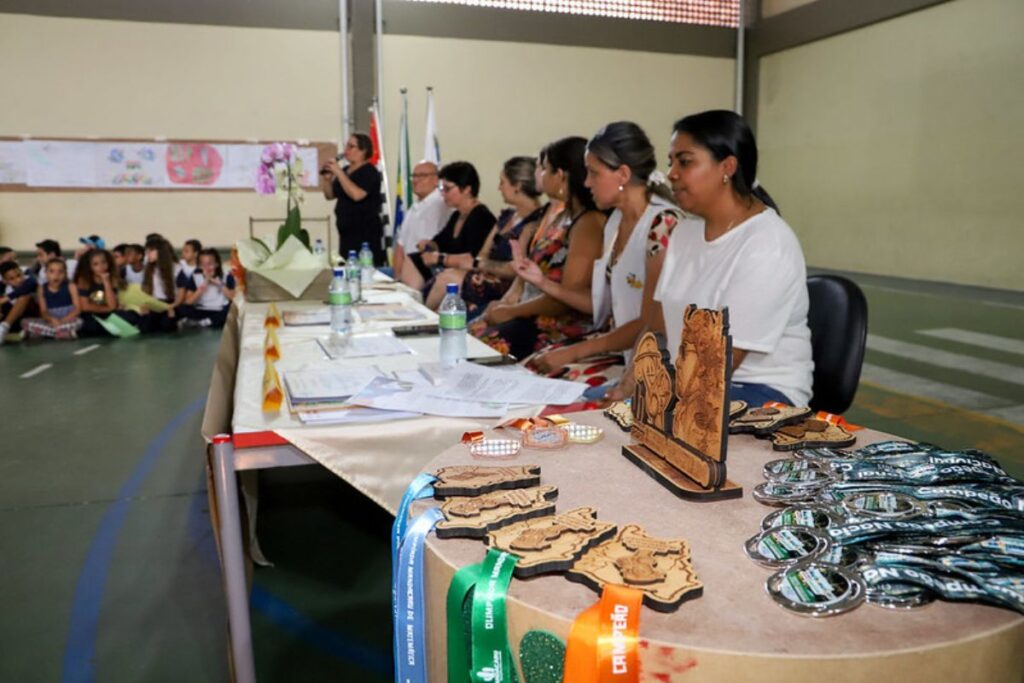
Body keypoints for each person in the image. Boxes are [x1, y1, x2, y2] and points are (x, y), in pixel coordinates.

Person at [619, 110, 813, 407]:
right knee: (589, 411)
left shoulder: (767, 244)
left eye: (685, 162)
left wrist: (644, 400)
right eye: (671, 162)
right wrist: (625, 387)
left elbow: (719, 366)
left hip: (757, 393)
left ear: (728, 167)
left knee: (627, 429)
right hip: (685, 381)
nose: (671, 173)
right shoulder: (684, 232)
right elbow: (655, 328)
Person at [515, 122, 683, 397]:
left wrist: (577, 350)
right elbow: (601, 305)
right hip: (626, 355)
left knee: (557, 397)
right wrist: (542, 282)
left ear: (623, 174)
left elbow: (651, 322)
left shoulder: (662, 224)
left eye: (593, 173)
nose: (586, 182)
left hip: (655, 367)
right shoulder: (615, 221)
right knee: (532, 373)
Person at [471, 136, 606, 360]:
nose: (539, 175)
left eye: (544, 169)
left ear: (560, 175)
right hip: (529, 314)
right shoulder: (559, 217)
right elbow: (527, 272)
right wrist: (506, 304)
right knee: (464, 335)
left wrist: (511, 311)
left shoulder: (588, 222)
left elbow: (564, 299)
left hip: (554, 326)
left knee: (480, 349)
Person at [422, 156, 544, 313]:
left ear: (517, 187)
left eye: (502, 182)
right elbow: (483, 253)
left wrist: (478, 265)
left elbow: (515, 268)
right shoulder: (506, 217)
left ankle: (425, 319)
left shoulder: (533, 222)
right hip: (486, 275)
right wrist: (479, 264)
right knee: (444, 280)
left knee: (447, 281)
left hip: (508, 285)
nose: (499, 188)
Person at [404, 161, 497, 291]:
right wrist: (429, 245)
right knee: (413, 259)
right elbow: (441, 241)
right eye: (441, 189)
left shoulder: (481, 217)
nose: (443, 194)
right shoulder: (457, 215)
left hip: (466, 277)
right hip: (448, 272)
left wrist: (440, 259)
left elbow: (473, 259)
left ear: (466, 189)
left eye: (447, 189)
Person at [320, 133, 385, 265]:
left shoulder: (369, 172)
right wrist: (327, 181)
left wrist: (338, 172)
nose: (346, 151)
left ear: (363, 150)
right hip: (346, 234)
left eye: (351, 147)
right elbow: (330, 195)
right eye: (346, 146)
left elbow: (357, 195)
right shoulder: (345, 170)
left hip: (364, 233)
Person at [395, 161, 452, 285]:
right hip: (407, 272)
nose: (416, 180)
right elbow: (400, 246)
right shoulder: (414, 207)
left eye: (422, 176)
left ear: (436, 180)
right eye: (414, 176)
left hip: (426, 272)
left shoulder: (441, 204)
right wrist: (397, 277)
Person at [23, 259, 81, 340]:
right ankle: (60, 333)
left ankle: (46, 332)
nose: (56, 275)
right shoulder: (42, 288)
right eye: (52, 271)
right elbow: (43, 311)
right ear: (46, 273)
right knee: (25, 322)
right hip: (50, 321)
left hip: (68, 319)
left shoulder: (71, 286)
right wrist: (52, 319)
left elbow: (77, 309)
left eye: (60, 272)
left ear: (65, 274)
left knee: (79, 322)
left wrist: (63, 320)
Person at [179, 248, 236, 328]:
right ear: (199, 266)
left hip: (219, 310)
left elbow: (233, 297)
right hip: (202, 309)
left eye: (210, 264)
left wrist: (219, 284)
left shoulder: (227, 276)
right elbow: (188, 301)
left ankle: (206, 322)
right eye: (203, 265)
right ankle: (204, 321)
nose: (207, 268)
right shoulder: (195, 276)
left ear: (217, 264)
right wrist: (204, 284)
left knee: (231, 310)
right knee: (182, 308)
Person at [74, 248, 121, 337]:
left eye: (104, 262)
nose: (101, 267)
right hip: (91, 315)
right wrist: (108, 308)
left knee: (130, 316)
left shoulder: (111, 278)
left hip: (107, 315)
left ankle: (106, 329)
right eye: (96, 264)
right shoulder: (84, 280)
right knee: (90, 325)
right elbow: (85, 307)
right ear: (90, 267)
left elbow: (112, 304)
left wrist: (106, 282)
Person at [140, 238, 182, 333]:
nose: (148, 254)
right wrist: (145, 304)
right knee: (145, 328)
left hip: (170, 303)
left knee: (166, 326)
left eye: (151, 251)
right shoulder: (149, 269)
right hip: (155, 303)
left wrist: (172, 306)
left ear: (160, 252)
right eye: (147, 251)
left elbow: (180, 293)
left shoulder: (176, 268)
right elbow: (146, 290)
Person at [0, 261, 39, 344]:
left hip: (29, 317)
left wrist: (6, 298)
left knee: (24, 296)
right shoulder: (3, 287)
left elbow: (29, 286)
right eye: (12, 279)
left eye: (19, 275)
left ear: (21, 272)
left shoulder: (30, 281)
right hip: (13, 322)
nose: (18, 280)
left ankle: (4, 328)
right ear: (4, 281)